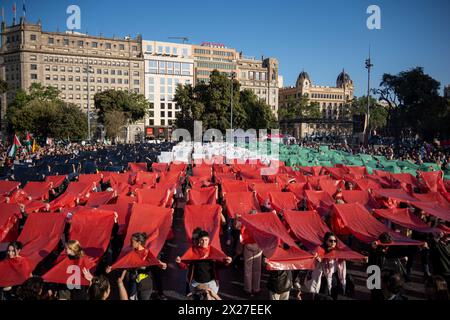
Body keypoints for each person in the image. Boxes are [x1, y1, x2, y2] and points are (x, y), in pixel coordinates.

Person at [175, 229, 232, 295]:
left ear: (208, 241)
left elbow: (220, 266)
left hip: (211, 283)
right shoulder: (193, 252)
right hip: (196, 283)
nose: (204, 242)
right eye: (202, 240)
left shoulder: (213, 251)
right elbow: (185, 266)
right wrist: (179, 262)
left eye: (206, 240)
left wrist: (227, 262)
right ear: (199, 241)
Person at [304, 232, 347, 300]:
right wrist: (316, 258)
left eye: (335, 241)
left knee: (333, 296)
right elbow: (311, 255)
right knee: (323, 297)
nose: (333, 243)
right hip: (323, 278)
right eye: (331, 241)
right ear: (326, 241)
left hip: (334, 277)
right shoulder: (319, 249)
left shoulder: (337, 250)